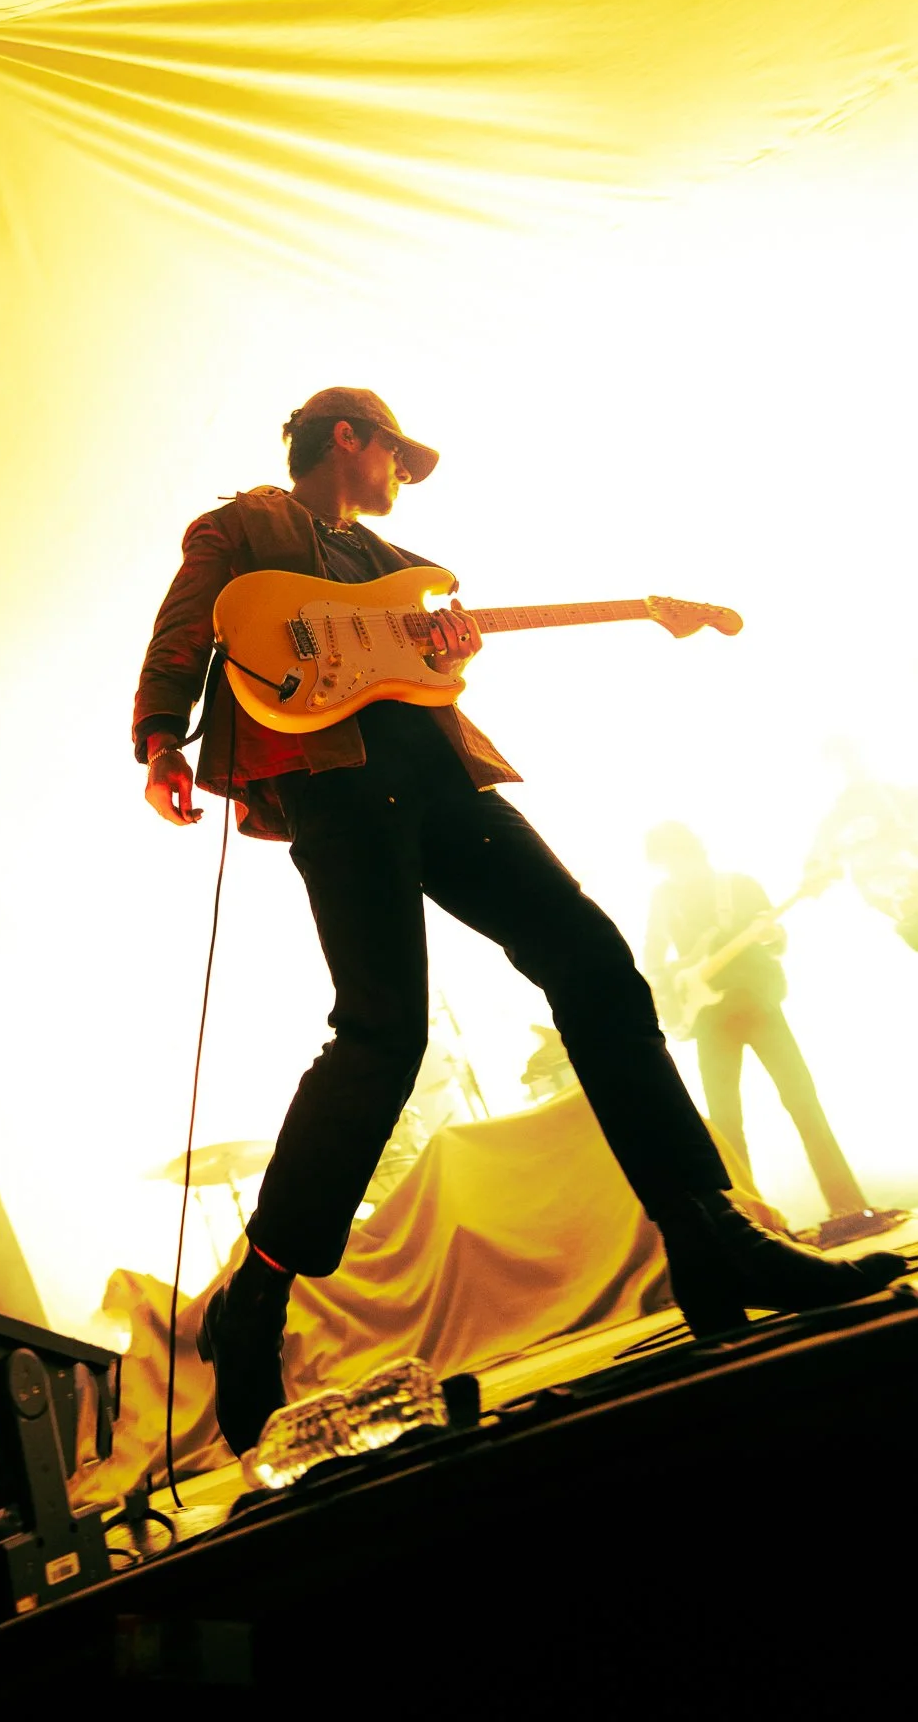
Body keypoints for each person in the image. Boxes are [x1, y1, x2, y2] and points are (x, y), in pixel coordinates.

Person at [133, 389, 906, 1457]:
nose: (405, 474)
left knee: (590, 955)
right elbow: (185, 628)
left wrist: (448, 645)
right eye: (397, 453)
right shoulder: (246, 526)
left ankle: (708, 1229)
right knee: (383, 1033)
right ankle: (256, 1295)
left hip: (440, 778)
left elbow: (426, 663)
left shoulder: (403, 560)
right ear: (348, 438)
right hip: (336, 785)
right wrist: (161, 740)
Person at [643, 822, 869, 1220]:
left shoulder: (738, 885)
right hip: (710, 1018)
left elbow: (776, 940)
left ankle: (848, 1204)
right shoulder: (664, 899)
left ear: (694, 852)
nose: (673, 871)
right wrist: (674, 989)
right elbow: (653, 958)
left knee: (802, 1102)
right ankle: (751, 1220)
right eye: (665, 864)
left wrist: (770, 935)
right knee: (727, 1122)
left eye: (676, 860)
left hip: (760, 1004)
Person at [806, 739, 918, 952]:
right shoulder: (836, 822)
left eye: (851, 757)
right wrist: (815, 871)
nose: (849, 768)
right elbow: (817, 859)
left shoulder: (905, 797)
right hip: (891, 890)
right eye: (839, 762)